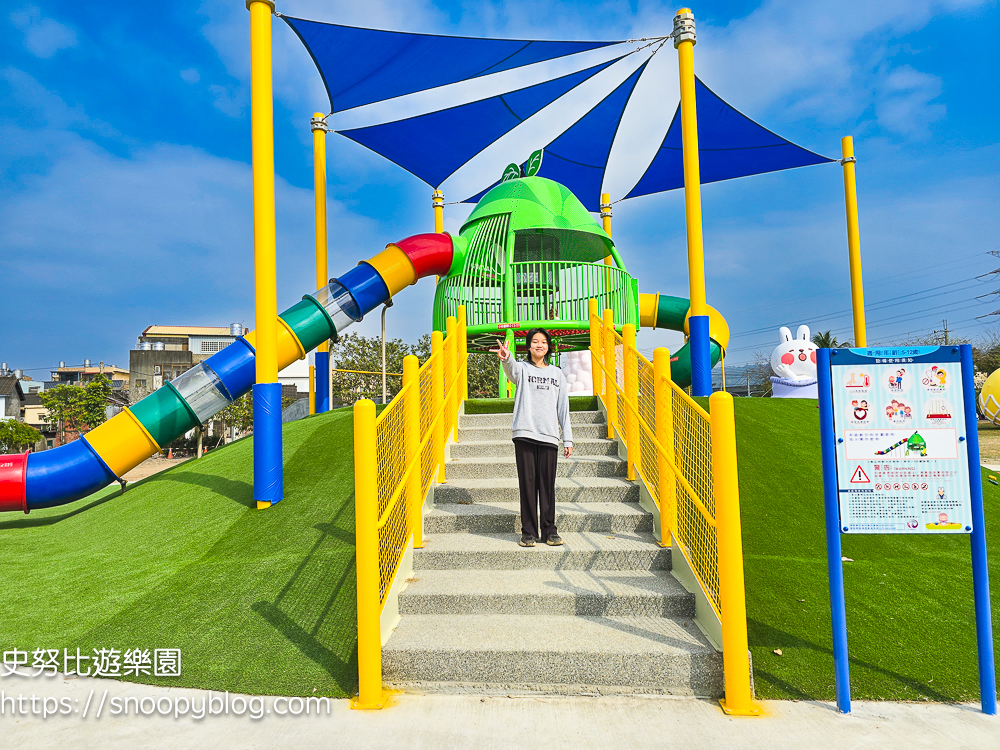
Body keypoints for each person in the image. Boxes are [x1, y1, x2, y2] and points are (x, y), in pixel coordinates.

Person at [492, 329, 574, 547]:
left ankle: (549, 530)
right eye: (535, 342)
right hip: (525, 434)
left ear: (548, 347)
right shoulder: (522, 369)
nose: (540, 345)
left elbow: (563, 408)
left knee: (547, 485)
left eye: (544, 342)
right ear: (528, 347)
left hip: (549, 436)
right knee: (527, 484)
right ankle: (528, 531)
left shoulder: (557, 374)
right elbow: (511, 369)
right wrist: (506, 357)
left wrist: (568, 439)